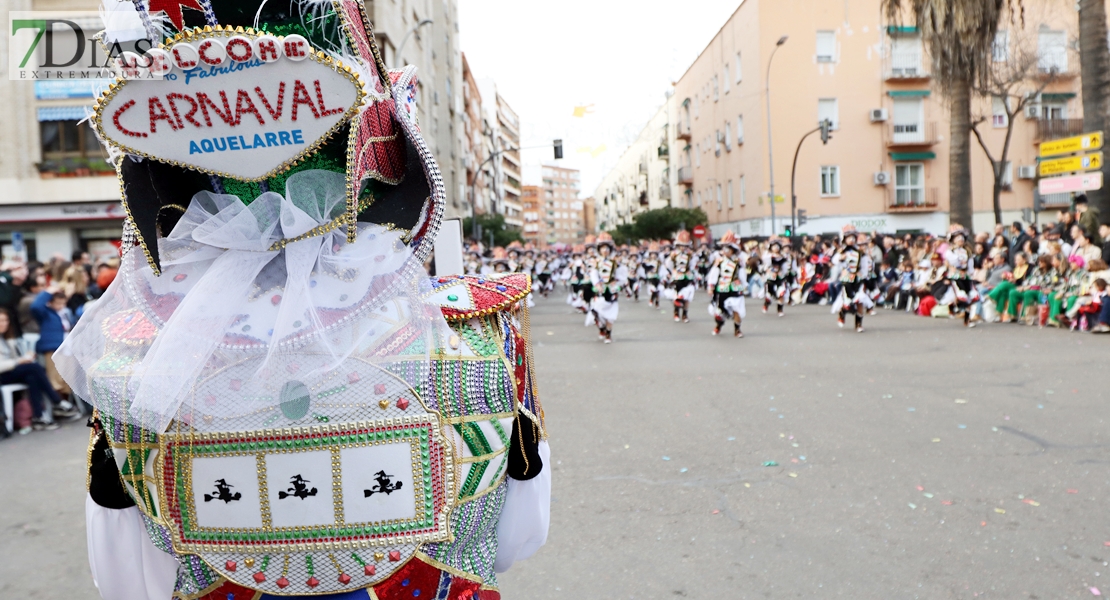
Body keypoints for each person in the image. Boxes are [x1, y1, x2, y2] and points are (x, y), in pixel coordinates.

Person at [0, 309, 75, 432]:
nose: (4, 323)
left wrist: (24, 358)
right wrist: (19, 361)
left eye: (5, 320)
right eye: (1, 321)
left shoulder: (6, 338)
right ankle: (56, 401)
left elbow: (13, 360)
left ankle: (38, 417)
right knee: (34, 368)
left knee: (32, 376)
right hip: (3, 375)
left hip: (11, 371)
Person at [30, 287, 73, 400]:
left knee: (67, 375)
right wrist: (47, 293)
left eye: (63, 303)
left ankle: (65, 399)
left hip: (66, 348)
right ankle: (57, 401)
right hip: (52, 347)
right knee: (55, 376)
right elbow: (35, 306)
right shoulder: (45, 313)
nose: (61, 306)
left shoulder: (65, 313)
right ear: (50, 302)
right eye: (57, 303)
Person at [707, 231, 747, 337]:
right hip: (722, 287)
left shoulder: (739, 261)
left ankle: (737, 330)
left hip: (735, 287)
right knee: (720, 311)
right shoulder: (719, 261)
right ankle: (718, 326)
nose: (724, 250)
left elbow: (742, 275)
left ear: (733, 249)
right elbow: (713, 274)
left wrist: (744, 285)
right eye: (723, 248)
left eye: (727, 248)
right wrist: (711, 286)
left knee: (736, 309)